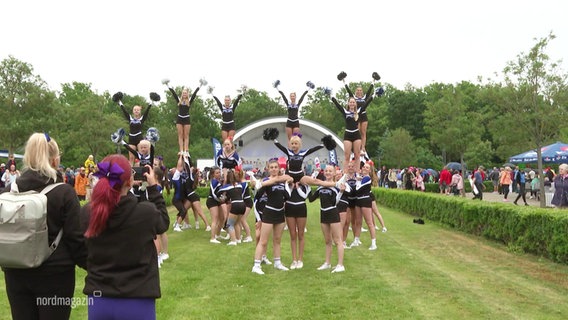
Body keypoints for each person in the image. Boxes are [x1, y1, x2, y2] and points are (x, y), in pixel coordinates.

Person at [2, 133, 86, 320]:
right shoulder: (63, 192)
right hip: (56, 274)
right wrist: (91, 265)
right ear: (54, 160)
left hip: (16, 271)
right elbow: (75, 238)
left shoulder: (9, 191)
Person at [80, 155, 168, 320]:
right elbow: (163, 223)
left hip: (100, 298)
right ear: (129, 181)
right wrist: (153, 188)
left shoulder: (88, 213)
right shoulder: (145, 213)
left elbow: (79, 247)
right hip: (138, 298)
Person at [251, 158, 293, 275]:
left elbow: (287, 197)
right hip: (269, 212)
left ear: (279, 169)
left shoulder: (282, 181)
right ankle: (256, 265)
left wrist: (288, 185)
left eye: (276, 167)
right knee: (263, 241)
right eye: (271, 167)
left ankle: (277, 262)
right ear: (268, 169)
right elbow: (258, 194)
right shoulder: (266, 181)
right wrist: (256, 185)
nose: (274, 169)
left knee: (277, 240)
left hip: (280, 213)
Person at [309, 163, 345, 273]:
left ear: (334, 173)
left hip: (333, 213)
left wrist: (341, 192)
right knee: (327, 240)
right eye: (326, 171)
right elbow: (311, 199)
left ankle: (340, 265)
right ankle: (327, 263)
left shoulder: (336, 186)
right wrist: (308, 185)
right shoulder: (320, 186)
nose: (328, 172)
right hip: (323, 214)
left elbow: (335, 202)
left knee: (338, 240)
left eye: (330, 171)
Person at [114, 94, 152, 165]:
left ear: (140, 111)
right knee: (131, 157)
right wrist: (119, 102)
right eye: (135, 110)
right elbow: (124, 111)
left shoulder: (141, 119)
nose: (136, 111)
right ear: (133, 111)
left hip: (139, 138)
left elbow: (147, 112)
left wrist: (151, 102)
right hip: (131, 138)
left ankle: (143, 170)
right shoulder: (130, 119)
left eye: (138, 110)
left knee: (141, 155)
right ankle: (130, 173)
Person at [164, 81, 200, 155]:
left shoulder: (189, 101)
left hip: (187, 118)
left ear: (187, 94)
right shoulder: (179, 101)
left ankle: (186, 150)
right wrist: (168, 85)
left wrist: (200, 85)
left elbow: (194, 94)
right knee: (180, 135)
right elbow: (173, 93)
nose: (184, 94)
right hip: (180, 118)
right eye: (183, 93)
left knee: (186, 135)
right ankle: (181, 150)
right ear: (182, 94)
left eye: (185, 93)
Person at [342, 79, 375, 156]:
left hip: (363, 115)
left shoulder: (364, 97)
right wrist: (344, 81)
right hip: (356, 116)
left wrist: (373, 81)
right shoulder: (353, 98)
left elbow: (370, 90)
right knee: (357, 131)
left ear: (362, 91)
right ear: (356, 91)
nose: (359, 91)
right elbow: (348, 90)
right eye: (358, 90)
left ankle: (363, 148)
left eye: (360, 90)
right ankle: (357, 148)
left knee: (363, 132)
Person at [331, 96, 361, 170]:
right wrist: (331, 96)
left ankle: (357, 173)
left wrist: (374, 95)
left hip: (356, 134)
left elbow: (366, 103)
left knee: (357, 155)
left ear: (355, 104)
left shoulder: (358, 111)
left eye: (353, 102)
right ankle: (345, 174)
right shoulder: (345, 112)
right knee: (347, 156)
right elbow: (337, 105)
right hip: (348, 134)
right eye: (350, 102)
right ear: (348, 103)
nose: (352, 103)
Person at [285, 182, 310, 269]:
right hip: (289, 208)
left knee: (301, 234)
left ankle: (300, 259)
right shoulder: (287, 182)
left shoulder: (304, 183)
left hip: (301, 208)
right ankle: (294, 259)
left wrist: (298, 187)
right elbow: (286, 196)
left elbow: (305, 196)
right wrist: (291, 186)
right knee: (292, 235)